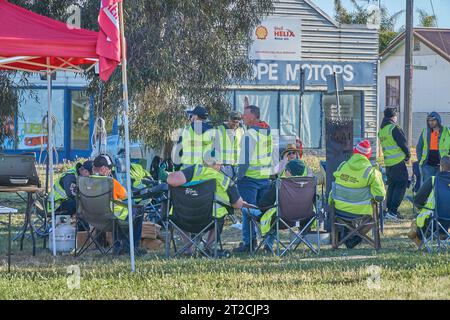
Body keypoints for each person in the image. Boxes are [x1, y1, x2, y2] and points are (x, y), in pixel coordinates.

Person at [167, 157, 244, 256]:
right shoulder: (224, 180)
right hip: (208, 220)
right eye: (221, 164)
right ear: (218, 165)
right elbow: (238, 205)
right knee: (219, 216)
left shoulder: (193, 171)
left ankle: (188, 248)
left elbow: (171, 180)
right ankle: (207, 248)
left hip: (182, 219)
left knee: (179, 212)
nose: (222, 166)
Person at [244, 160, 310, 253]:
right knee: (275, 213)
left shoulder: (280, 184)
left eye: (286, 169)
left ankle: (250, 244)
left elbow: (263, 205)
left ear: (289, 172)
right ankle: (268, 246)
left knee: (245, 210)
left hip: (282, 219)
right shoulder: (308, 185)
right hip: (302, 218)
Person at [329, 140, 386, 249]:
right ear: (368, 156)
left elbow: (334, 188)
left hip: (339, 209)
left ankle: (347, 237)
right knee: (372, 215)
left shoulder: (342, 166)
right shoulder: (372, 172)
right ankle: (356, 238)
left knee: (346, 217)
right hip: (361, 211)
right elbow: (379, 197)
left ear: (354, 152)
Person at [233, 104, 273, 253]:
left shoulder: (250, 134)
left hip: (249, 179)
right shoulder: (267, 132)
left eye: (245, 114)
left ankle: (249, 243)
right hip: (264, 177)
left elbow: (245, 160)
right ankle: (267, 242)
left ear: (253, 116)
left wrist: (239, 177)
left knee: (247, 210)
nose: (243, 117)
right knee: (266, 211)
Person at [92, 155, 145, 255]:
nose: (110, 171)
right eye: (109, 168)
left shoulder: (85, 182)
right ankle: (132, 247)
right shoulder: (110, 182)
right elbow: (126, 195)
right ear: (103, 169)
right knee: (139, 210)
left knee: (118, 215)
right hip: (110, 218)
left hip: (92, 218)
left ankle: (119, 246)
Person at [378, 107, 411, 221]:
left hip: (388, 163)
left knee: (392, 186)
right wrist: (408, 156)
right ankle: (393, 211)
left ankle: (389, 211)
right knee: (401, 184)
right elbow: (403, 143)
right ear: (393, 117)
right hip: (398, 162)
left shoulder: (382, 130)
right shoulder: (394, 128)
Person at [409, 156, 450, 246]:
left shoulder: (433, 180)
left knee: (421, 219)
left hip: (434, 220)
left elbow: (418, 200)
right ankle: (443, 234)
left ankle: (419, 238)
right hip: (447, 223)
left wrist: (420, 207)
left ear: (441, 167)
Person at [416, 112, 450, 184]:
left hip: (443, 166)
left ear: (438, 120)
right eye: (429, 120)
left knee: (441, 185)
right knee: (427, 186)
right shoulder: (425, 132)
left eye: (433, 120)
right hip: (427, 165)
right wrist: (420, 160)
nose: (431, 122)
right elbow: (419, 147)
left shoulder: (446, 132)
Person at [216, 111, 245, 181]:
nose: (235, 124)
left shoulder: (241, 130)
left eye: (237, 122)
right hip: (224, 166)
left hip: (237, 166)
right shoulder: (219, 129)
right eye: (233, 122)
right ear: (229, 119)